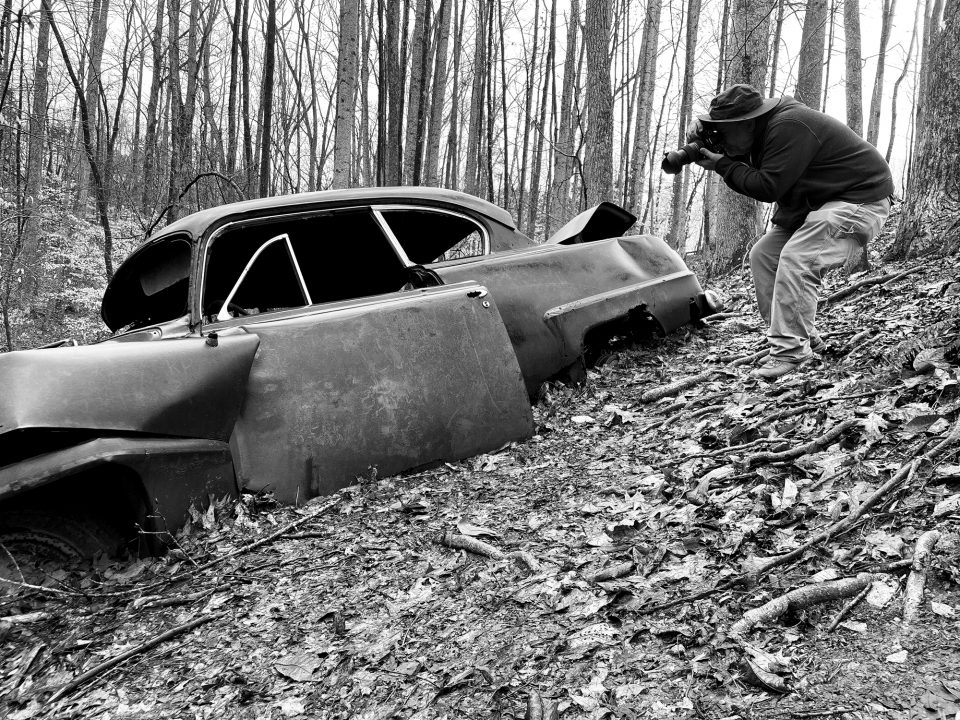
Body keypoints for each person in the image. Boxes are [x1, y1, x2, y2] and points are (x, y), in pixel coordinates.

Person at [692, 84, 894, 380]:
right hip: (821, 205)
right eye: (714, 130)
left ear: (747, 123)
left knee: (797, 258)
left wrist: (723, 165)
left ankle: (790, 353)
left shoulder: (788, 125)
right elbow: (777, 184)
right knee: (764, 255)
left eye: (724, 130)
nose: (719, 138)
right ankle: (797, 335)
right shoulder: (760, 137)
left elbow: (768, 186)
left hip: (861, 199)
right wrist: (715, 150)